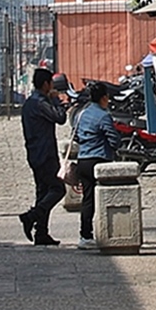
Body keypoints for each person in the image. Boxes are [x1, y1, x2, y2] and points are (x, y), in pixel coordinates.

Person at [16, 67, 69, 247]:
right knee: (57, 189)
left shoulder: (29, 103)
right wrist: (56, 99)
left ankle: (41, 232)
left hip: (34, 152)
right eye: (51, 84)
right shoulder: (40, 103)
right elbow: (60, 117)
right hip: (45, 153)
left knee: (43, 191)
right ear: (46, 84)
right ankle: (30, 217)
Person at [70, 80, 120, 243]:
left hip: (83, 160)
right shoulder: (104, 116)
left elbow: (75, 136)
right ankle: (109, 230)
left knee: (87, 200)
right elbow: (114, 140)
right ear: (104, 98)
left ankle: (85, 235)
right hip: (99, 161)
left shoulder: (81, 113)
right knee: (107, 197)